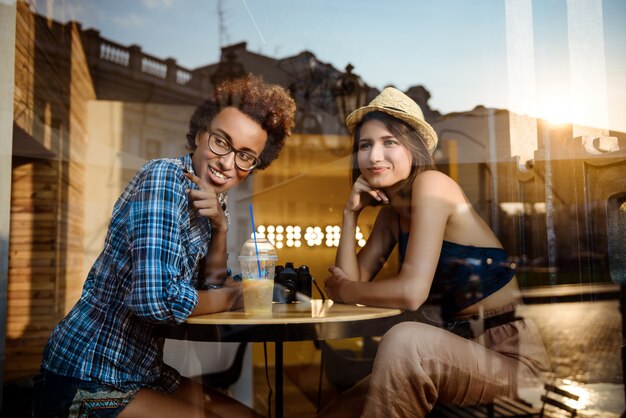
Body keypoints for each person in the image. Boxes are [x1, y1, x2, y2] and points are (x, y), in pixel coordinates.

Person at [32, 75, 296, 418]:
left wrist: (220, 227)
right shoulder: (165, 178)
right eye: (221, 142)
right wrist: (232, 296)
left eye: (245, 156)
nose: (228, 163)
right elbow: (155, 302)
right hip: (86, 381)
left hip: (141, 372)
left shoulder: (212, 203)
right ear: (201, 135)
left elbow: (209, 288)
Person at [321, 87, 550, 417]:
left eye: (389, 142)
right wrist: (350, 214)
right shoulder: (390, 215)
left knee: (405, 341)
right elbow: (349, 288)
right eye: (365, 145)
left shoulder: (433, 184)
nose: (373, 156)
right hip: (459, 349)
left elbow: (411, 293)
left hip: (512, 358)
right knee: (343, 409)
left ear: (413, 148)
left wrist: (347, 289)